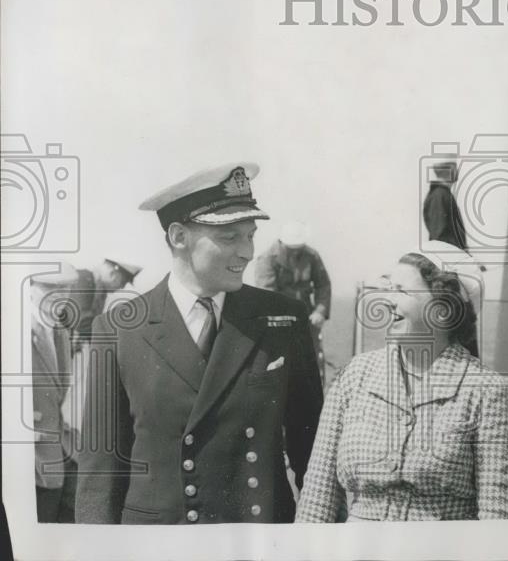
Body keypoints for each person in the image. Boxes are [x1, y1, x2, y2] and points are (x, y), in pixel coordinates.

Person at [75, 163, 323, 524]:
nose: (247, 252)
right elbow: (99, 472)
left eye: (250, 235)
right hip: (159, 543)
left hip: (256, 540)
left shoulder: (284, 319)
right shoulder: (118, 328)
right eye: (229, 238)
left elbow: (312, 449)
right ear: (179, 237)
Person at [296, 241, 508, 522]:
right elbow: (318, 496)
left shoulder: (484, 390)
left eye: (401, 291)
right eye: (389, 288)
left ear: (443, 308)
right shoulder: (355, 376)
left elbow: (498, 516)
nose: (387, 300)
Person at [31, 263, 80, 523]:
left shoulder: (60, 330)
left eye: (67, 289)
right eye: (51, 288)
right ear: (30, 288)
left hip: (62, 452)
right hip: (30, 462)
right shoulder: (14, 330)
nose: (61, 297)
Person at [255, 221, 332, 385]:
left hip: (307, 319)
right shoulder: (267, 259)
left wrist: (320, 310)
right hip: (278, 321)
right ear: (282, 242)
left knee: (312, 365)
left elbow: (323, 284)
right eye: (292, 248)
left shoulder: (312, 255)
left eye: (299, 247)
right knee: (280, 365)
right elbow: (267, 294)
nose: (296, 251)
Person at [72, 256, 143, 351]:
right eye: (123, 282)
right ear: (112, 274)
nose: (122, 287)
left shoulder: (99, 290)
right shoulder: (83, 280)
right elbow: (83, 321)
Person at [422, 158, 468, 250]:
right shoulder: (439, 195)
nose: (457, 171)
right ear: (449, 171)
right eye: (455, 167)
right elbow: (439, 236)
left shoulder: (443, 194)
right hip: (448, 257)